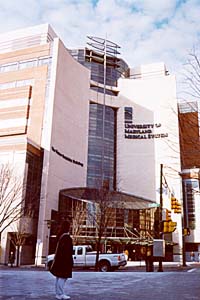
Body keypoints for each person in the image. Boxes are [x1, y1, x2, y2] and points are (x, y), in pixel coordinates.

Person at [50, 220, 73, 300]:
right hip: (64, 261)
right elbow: (68, 251)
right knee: (63, 277)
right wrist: (69, 261)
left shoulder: (60, 236)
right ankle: (60, 294)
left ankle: (58, 293)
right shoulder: (66, 238)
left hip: (59, 260)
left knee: (59, 277)